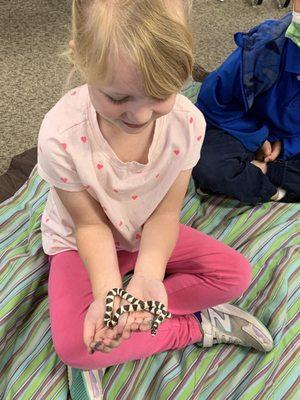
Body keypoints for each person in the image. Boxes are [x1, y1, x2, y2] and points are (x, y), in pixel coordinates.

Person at [37, 0, 273, 370]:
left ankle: (139, 324)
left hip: (145, 232)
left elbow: (165, 214)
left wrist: (147, 275)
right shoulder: (59, 136)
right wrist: (108, 292)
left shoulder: (188, 124)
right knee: (74, 348)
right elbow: (89, 225)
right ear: (79, 57)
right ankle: (193, 328)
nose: (141, 116)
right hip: (82, 240)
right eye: (118, 98)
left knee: (236, 275)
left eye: (162, 94)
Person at [193, 4, 300, 205]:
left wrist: (287, 144)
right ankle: (275, 191)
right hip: (239, 128)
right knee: (209, 166)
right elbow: (213, 102)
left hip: (283, 145)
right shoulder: (266, 50)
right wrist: (257, 137)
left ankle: (262, 173)